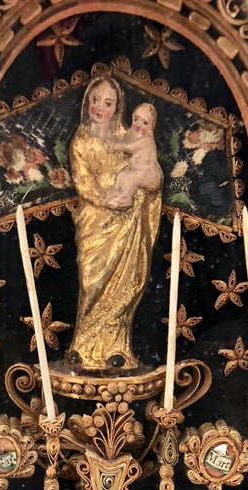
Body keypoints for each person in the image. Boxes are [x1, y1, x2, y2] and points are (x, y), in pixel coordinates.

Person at [68, 78, 162, 370]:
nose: (100, 107)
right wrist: (105, 199)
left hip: (126, 222)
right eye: (96, 100)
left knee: (123, 285)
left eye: (108, 103)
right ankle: (83, 348)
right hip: (95, 221)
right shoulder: (81, 142)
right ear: (87, 101)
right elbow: (83, 182)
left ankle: (116, 350)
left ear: (118, 107)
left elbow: (150, 169)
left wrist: (144, 183)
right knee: (92, 282)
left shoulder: (130, 135)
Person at [104, 103, 162, 209]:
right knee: (122, 175)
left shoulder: (147, 139)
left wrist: (116, 147)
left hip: (149, 174)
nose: (138, 124)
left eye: (145, 123)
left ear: (151, 126)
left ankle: (126, 199)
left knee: (131, 178)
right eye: (136, 119)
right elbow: (125, 140)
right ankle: (118, 194)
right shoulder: (133, 134)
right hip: (137, 170)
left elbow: (129, 147)